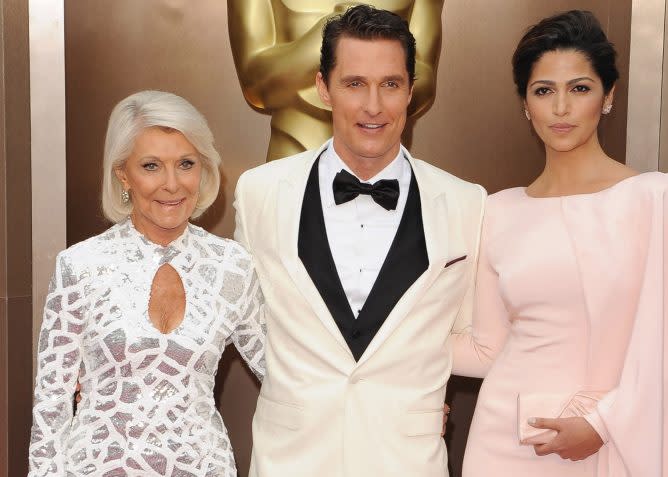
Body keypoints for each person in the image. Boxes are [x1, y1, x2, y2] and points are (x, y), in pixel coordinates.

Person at [451, 10, 668, 476]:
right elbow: (487, 350)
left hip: (617, 442)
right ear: (525, 103)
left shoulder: (658, 200)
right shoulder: (498, 210)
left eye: (579, 88)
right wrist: (378, 340)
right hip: (505, 445)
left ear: (608, 96)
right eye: (543, 91)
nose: (560, 108)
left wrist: (601, 422)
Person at [233, 5, 484, 476]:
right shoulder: (258, 193)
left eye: (390, 84)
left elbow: (473, 336)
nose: (374, 106)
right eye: (354, 84)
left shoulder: (467, 203)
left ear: (411, 90)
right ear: (323, 87)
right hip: (292, 458)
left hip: (406, 460)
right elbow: (248, 326)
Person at [27, 91, 267, 476]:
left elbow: (282, 371)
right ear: (123, 172)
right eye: (151, 166)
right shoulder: (80, 265)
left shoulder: (232, 266)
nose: (172, 184)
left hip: (202, 467)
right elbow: (51, 402)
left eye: (186, 164)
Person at [227, 0, 443, 161]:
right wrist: (333, 36)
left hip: (383, 154)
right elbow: (255, 85)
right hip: (293, 151)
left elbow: (423, 79)